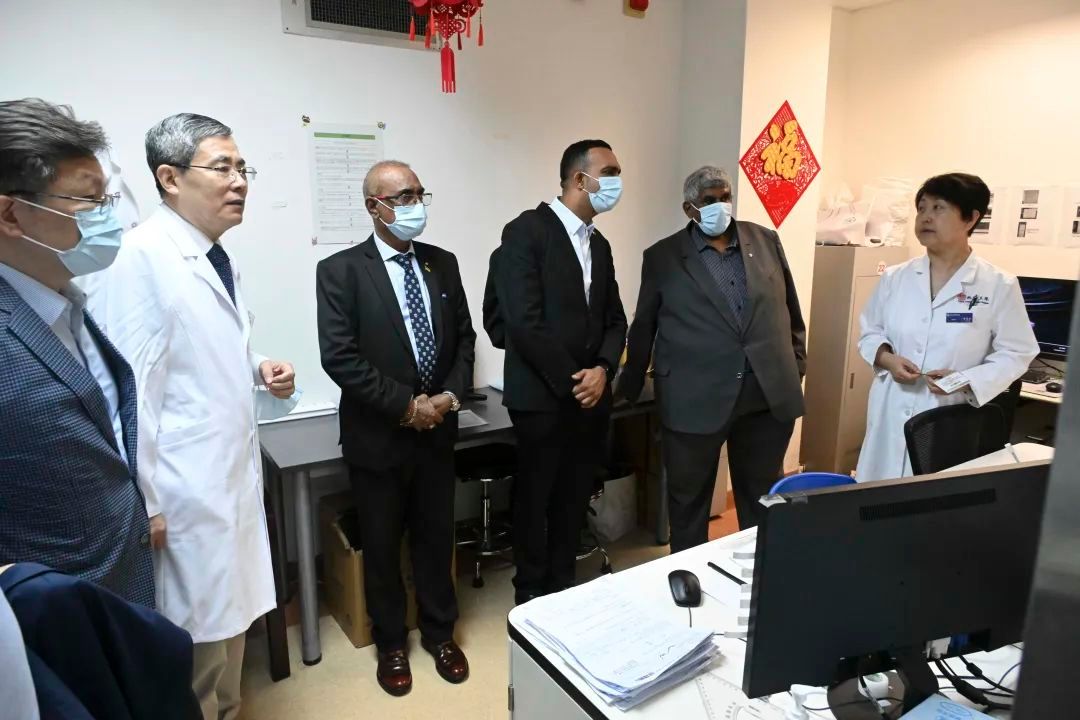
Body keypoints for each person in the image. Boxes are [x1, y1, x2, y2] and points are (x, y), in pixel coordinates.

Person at [84, 113, 296, 720]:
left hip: (222, 478)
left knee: (229, 629)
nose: (239, 181)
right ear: (170, 178)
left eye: (242, 167)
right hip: (180, 492)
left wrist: (257, 366)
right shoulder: (138, 258)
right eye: (222, 167)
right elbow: (126, 390)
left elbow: (195, 349)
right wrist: (146, 502)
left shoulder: (215, 256)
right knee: (195, 646)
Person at [316, 160, 475, 697]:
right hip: (379, 436)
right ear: (374, 207)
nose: (415, 205)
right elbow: (340, 357)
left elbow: (465, 340)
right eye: (403, 197)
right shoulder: (340, 271)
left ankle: (440, 634)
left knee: (435, 538)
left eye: (419, 194)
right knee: (382, 547)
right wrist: (407, 407)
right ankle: (390, 644)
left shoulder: (441, 263)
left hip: (438, 433)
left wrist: (449, 397)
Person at [0, 98, 153, 606]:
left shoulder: (67, 304)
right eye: (90, 202)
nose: (110, 219)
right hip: (48, 619)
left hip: (118, 587)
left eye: (107, 200)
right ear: (11, 214)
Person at [618, 166, 807, 546]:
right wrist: (630, 385)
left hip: (764, 396)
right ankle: (690, 575)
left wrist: (796, 363)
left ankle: (760, 571)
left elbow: (790, 307)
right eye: (709, 201)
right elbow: (644, 326)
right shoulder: (663, 257)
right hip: (693, 399)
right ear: (689, 209)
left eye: (725, 197)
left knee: (762, 501)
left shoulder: (765, 240)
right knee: (688, 505)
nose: (720, 206)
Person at [498, 139, 627, 605]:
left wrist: (604, 369)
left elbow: (616, 320)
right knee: (536, 500)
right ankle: (531, 596)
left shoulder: (600, 245)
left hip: (591, 399)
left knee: (573, 498)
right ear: (579, 179)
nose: (617, 183)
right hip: (542, 398)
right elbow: (523, 323)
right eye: (609, 173)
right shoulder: (526, 233)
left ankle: (562, 589)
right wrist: (577, 381)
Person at [855, 173, 1038, 482]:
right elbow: (870, 332)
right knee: (877, 493)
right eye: (922, 208)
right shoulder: (895, 278)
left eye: (938, 208)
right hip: (890, 408)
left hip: (950, 414)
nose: (926, 217)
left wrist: (965, 380)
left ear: (971, 219)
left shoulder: (997, 285)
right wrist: (887, 358)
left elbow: (1018, 352)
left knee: (933, 496)